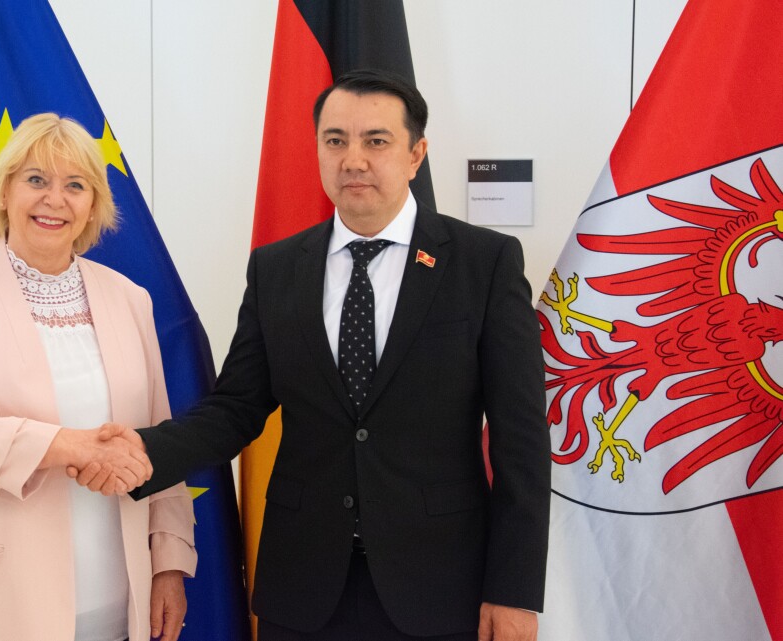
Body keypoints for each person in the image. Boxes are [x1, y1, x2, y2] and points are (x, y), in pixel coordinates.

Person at [75, 70, 550, 641]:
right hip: (302, 591)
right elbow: (236, 408)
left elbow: (521, 438)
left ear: (416, 154)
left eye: (376, 141)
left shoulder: (483, 262)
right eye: (335, 140)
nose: (353, 159)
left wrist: (515, 591)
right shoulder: (277, 269)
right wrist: (143, 452)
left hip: (440, 587)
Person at [0, 112, 196, 641]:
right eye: (36, 180)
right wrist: (72, 446)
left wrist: (170, 564)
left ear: (92, 207)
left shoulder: (130, 300)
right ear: (5, 192)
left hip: (115, 597)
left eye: (75, 185)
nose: (55, 199)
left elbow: (159, 440)